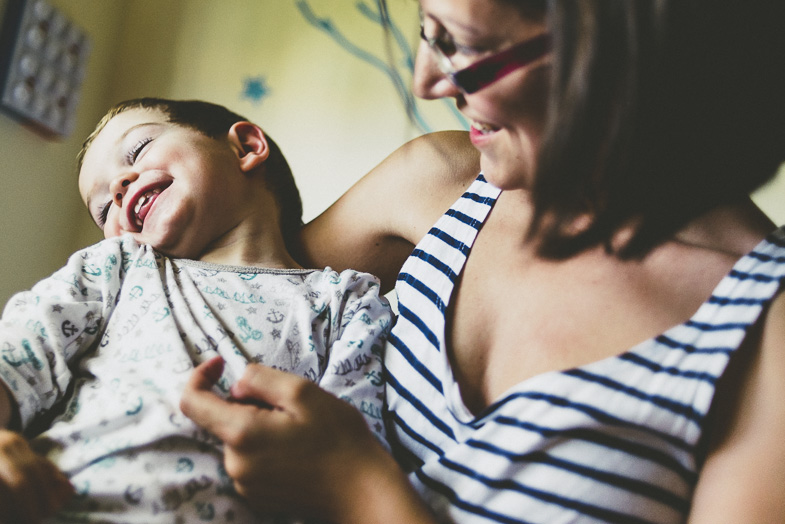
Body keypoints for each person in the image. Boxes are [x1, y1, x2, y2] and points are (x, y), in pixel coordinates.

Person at [180, 1, 785, 523]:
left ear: (614, 46)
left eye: (461, 44)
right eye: (427, 31)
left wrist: (358, 492)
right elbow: (220, 309)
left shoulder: (765, 331)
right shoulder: (434, 185)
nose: (427, 81)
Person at [0, 98, 393, 523]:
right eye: (103, 209)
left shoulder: (347, 302)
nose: (117, 188)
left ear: (245, 147)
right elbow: (18, 354)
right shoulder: (117, 267)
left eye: (137, 150)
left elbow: (354, 453)